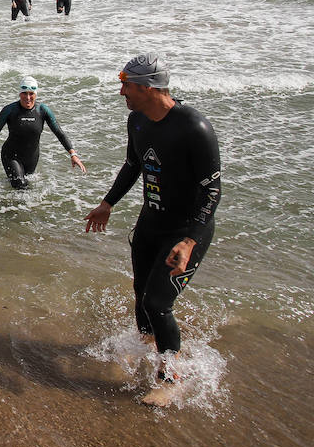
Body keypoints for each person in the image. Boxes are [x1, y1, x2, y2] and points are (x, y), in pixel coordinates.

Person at [84, 54, 222, 403]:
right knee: (141, 293)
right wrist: (108, 203)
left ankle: (171, 378)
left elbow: (212, 189)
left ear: (148, 87)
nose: (121, 92)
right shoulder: (138, 121)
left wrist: (190, 240)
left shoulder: (194, 128)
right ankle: (149, 346)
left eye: (126, 84)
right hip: (151, 222)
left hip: (187, 231)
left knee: (158, 303)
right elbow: (133, 164)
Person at [0, 77, 85, 189]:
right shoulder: (9, 110)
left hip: (32, 157)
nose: (28, 98)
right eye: (24, 93)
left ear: (36, 94)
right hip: (10, 155)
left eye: (31, 93)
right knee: (22, 186)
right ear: (19, 94)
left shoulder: (42, 110)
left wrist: (73, 154)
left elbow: (59, 133)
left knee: (23, 185)